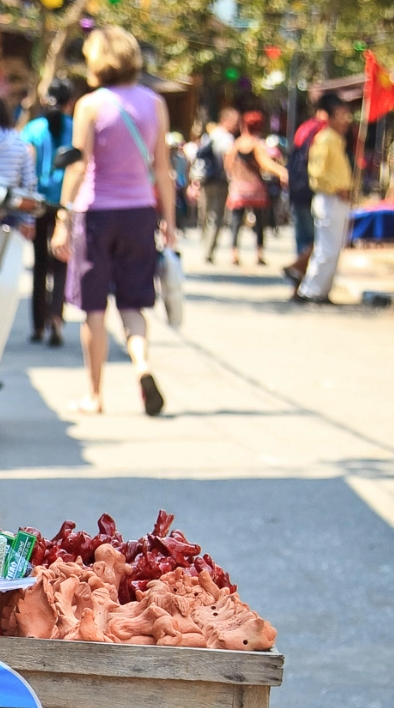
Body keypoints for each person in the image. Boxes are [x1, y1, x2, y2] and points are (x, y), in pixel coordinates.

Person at [50, 25, 176, 417]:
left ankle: (95, 395)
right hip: (140, 214)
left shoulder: (90, 105)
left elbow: (76, 167)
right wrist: (168, 220)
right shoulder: (155, 103)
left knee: (94, 311)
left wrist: (62, 217)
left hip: (96, 215)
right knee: (134, 305)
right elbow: (164, 168)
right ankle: (142, 365)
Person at [22, 78, 76, 346]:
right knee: (62, 261)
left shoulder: (33, 128)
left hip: (39, 203)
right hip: (65, 203)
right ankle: (56, 316)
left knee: (40, 264)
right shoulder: (76, 129)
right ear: (70, 102)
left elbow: (26, 167)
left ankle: (38, 325)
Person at [297, 92, 356, 303]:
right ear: (329, 116)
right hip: (329, 198)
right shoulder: (325, 139)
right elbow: (318, 173)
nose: (346, 120)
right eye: (341, 114)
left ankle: (321, 290)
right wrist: (336, 188)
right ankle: (310, 290)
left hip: (337, 200)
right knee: (326, 249)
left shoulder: (336, 139)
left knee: (333, 248)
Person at [220, 110, 286, 267]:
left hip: (238, 189)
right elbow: (265, 164)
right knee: (259, 223)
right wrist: (282, 172)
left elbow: (227, 165)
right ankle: (259, 253)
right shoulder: (257, 145)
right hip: (256, 188)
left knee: (236, 222)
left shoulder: (235, 145)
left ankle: (234, 253)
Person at [283, 97, 333, 288]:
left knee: (302, 238)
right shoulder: (322, 132)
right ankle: (300, 273)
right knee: (316, 240)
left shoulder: (304, 128)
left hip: (297, 190)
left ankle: (298, 281)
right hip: (311, 190)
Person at [195, 107, 239, 263]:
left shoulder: (210, 134)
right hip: (219, 182)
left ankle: (203, 246)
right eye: (235, 121)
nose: (237, 125)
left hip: (205, 180)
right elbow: (228, 160)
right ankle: (208, 250)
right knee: (215, 216)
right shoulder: (227, 138)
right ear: (226, 120)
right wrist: (232, 178)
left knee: (205, 215)